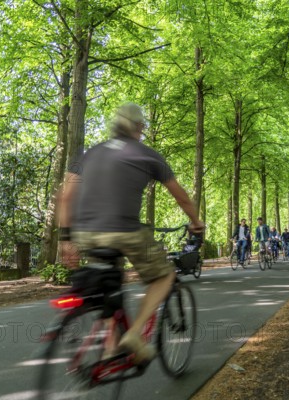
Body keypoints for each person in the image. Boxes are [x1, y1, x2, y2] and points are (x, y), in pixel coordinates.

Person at [58, 102, 205, 364]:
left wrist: (66, 239)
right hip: (127, 233)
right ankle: (134, 334)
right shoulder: (148, 155)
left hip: (87, 234)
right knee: (166, 274)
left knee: (107, 284)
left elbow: (66, 196)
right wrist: (196, 221)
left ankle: (111, 347)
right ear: (139, 127)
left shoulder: (89, 154)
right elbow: (181, 197)